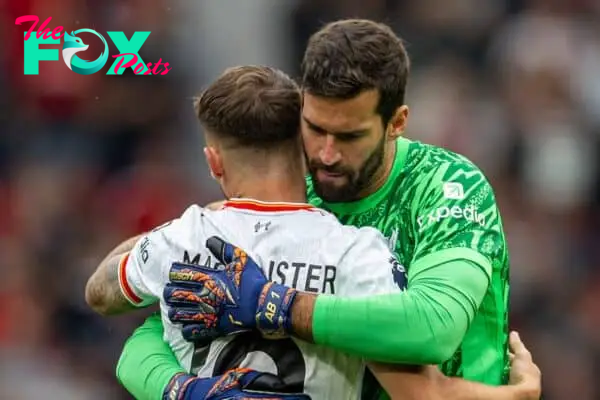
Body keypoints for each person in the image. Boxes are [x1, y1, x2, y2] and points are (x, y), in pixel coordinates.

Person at [91, 19, 541, 399]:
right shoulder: (294, 193)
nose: (325, 154)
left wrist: (272, 303)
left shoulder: (447, 187)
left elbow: (432, 327)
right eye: (315, 128)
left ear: (396, 123)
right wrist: (183, 388)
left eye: (348, 137)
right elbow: (151, 328)